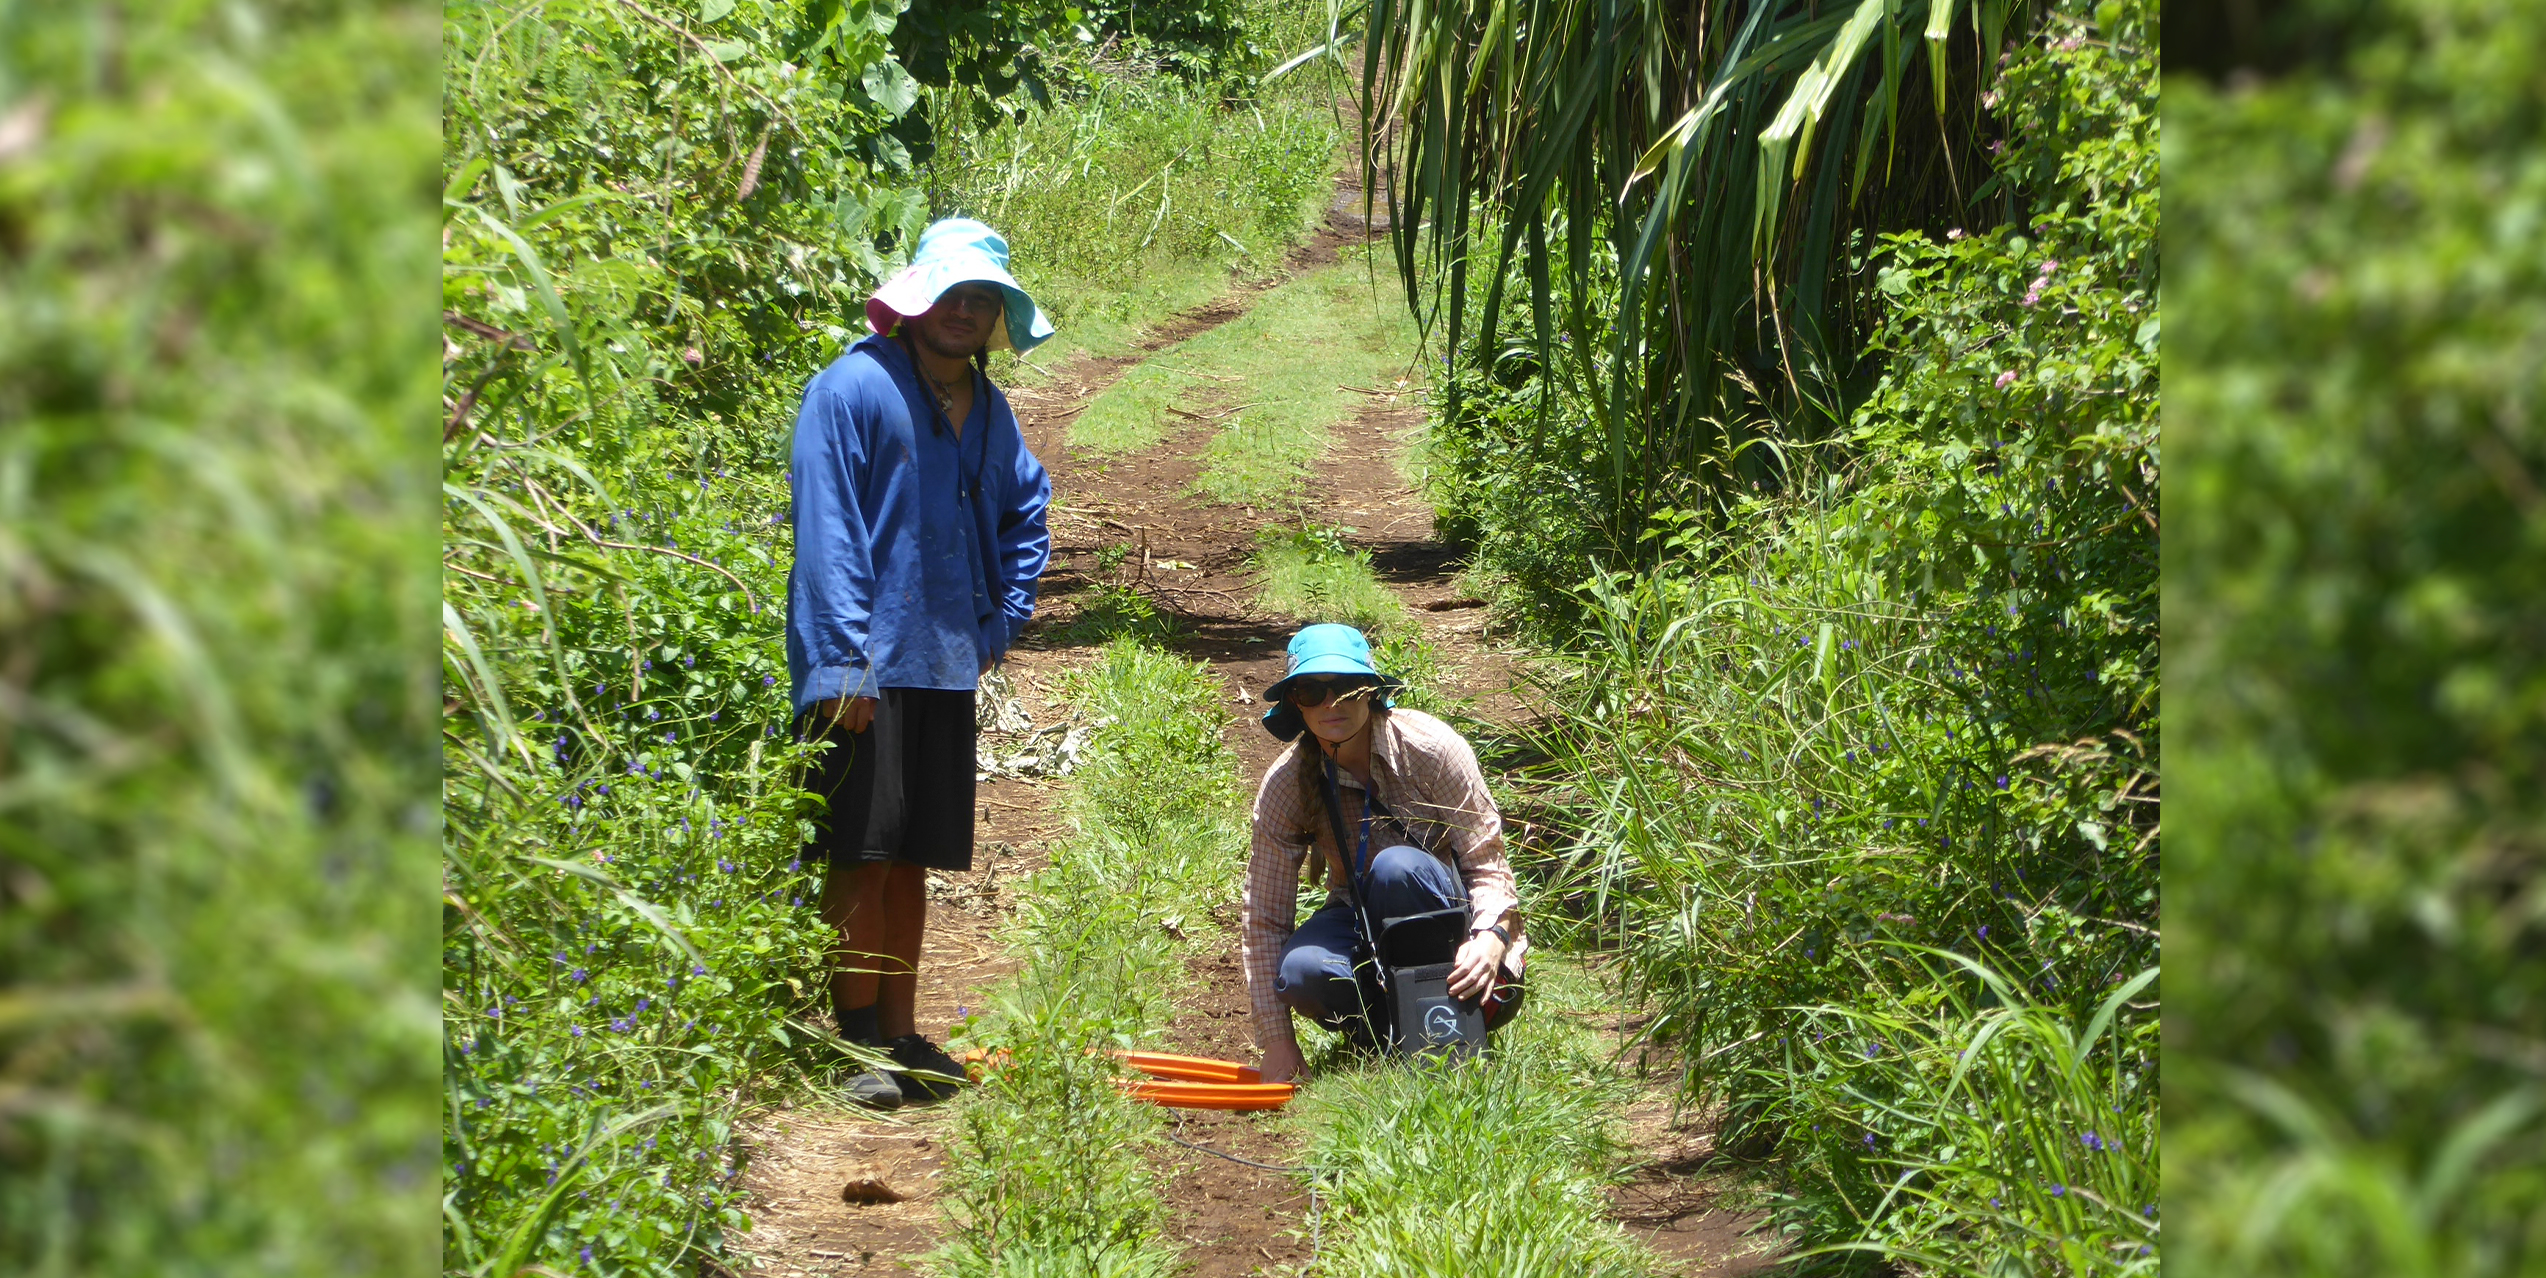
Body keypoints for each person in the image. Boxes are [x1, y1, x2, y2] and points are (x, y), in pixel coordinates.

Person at [786, 218, 1055, 1108]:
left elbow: (1026, 514)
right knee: (860, 853)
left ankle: (902, 1034)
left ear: (996, 320)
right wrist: (841, 664)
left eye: (982, 302)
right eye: (952, 295)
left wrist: (999, 623)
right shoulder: (851, 390)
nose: (964, 312)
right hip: (862, 667)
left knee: (910, 858)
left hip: (944, 660)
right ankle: (857, 1042)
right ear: (915, 299)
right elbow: (828, 534)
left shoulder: (990, 410)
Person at [1241, 624, 1526, 1083]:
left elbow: (1486, 863)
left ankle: (1452, 1021)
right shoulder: (1285, 785)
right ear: (1296, 702)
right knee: (1301, 971)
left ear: (1371, 691)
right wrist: (1278, 1043)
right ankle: (1391, 1036)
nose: (1332, 704)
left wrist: (1491, 936)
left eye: (1347, 688)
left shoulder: (1432, 750)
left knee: (1397, 869)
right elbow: (1265, 918)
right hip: (1359, 917)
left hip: (1454, 923)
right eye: (1313, 690)